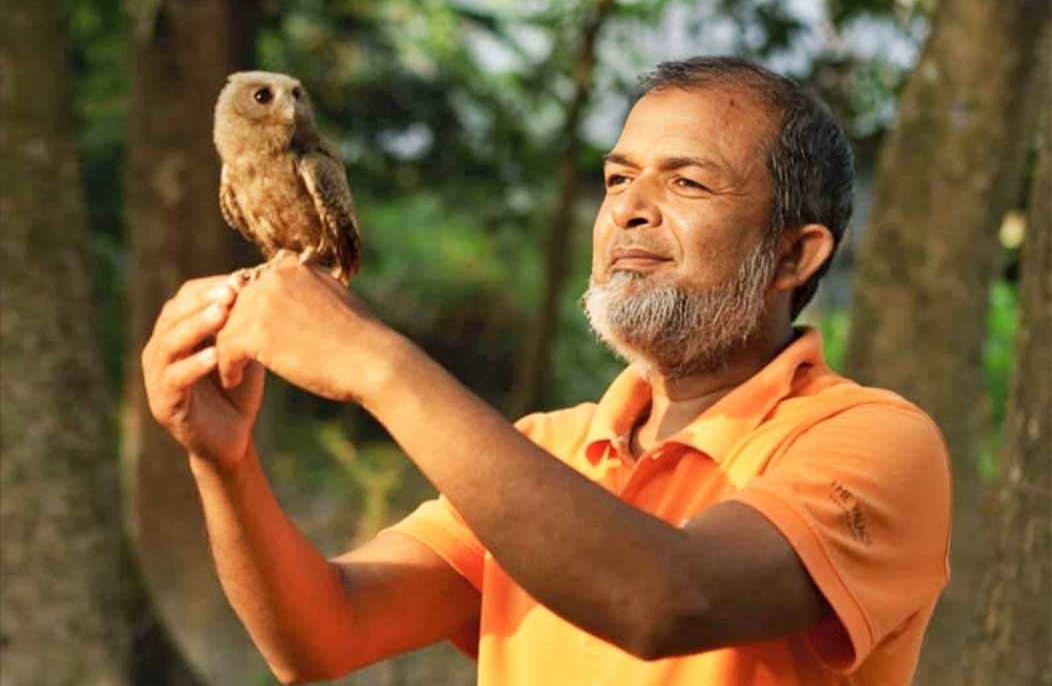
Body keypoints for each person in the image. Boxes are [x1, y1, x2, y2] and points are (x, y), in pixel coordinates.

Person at [142, 56, 951, 686]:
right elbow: (325, 631)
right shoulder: (547, 451)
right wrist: (224, 459)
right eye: (617, 178)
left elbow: (667, 597)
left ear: (793, 253)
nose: (630, 208)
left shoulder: (876, 443)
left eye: (687, 180)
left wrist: (373, 361)